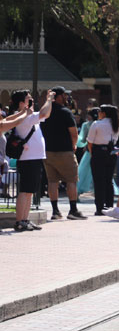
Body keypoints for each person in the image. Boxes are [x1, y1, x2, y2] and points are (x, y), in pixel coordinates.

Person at [8, 89, 54, 231]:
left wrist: (48, 102)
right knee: (25, 191)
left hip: (33, 158)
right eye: (29, 100)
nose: (31, 101)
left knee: (29, 191)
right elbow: (44, 113)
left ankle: (25, 219)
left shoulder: (28, 116)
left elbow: (46, 114)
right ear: (22, 103)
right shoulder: (21, 117)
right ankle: (19, 221)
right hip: (28, 159)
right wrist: (49, 99)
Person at [40, 86, 86, 221]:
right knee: (71, 180)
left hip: (48, 152)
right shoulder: (65, 112)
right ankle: (73, 210)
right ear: (58, 96)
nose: (66, 98)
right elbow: (73, 132)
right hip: (65, 151)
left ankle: (55, 211)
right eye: (64, 95)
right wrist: (74, 145)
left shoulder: (44, 113)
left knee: (52, 181)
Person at [87, 104, 119, 216]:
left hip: (98, 152)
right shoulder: (116, 125)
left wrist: (92, 154)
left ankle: (100, 207)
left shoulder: (97, 124)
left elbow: (89, 142)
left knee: (98, 181)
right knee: (108, 180)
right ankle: (109, 206)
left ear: (104, 113)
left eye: (100, 111)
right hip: (111, 153)